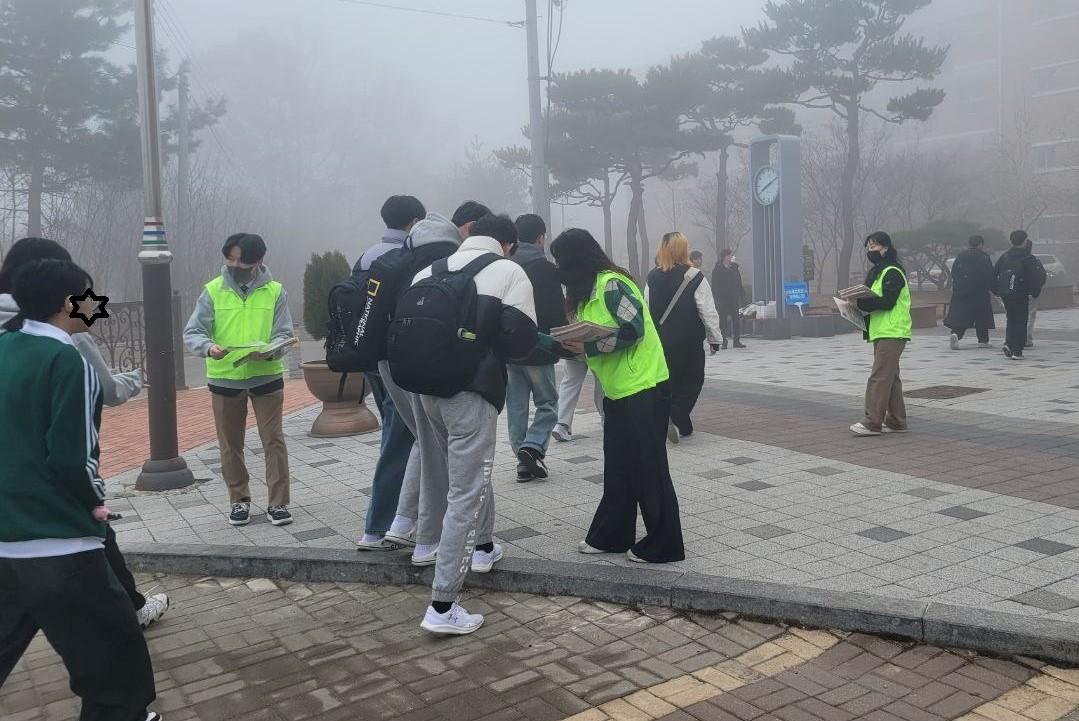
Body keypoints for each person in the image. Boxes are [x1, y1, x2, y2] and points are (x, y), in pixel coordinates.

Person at [0, 258, 161, 721]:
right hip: (59, 543)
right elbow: (72, 458)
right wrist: (95, 504)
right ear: (67, 303)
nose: (94, 304)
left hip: (7, 539)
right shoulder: (65, 359)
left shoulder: (6, 347)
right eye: (88, 295)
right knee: (115, 665)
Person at [398, 213, 550, 634]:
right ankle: (443, 605)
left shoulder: (430, 270)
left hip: (425, 393)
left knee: (469, 476)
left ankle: (484, 548)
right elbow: (520, 341)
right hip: (470, 394)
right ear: (510, 244)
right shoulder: (507, 270)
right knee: (464, 491)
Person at [550, 228, 685, 565]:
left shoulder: (612, 284)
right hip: (619, 389)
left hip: (645, 387)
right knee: (620, 467)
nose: (560, 271)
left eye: (562, 263)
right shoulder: (588, 293)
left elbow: (634, 329)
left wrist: (589, 344)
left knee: (648, 470)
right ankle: (611, 536)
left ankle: (665, 544)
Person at [381, 202, 488, 565]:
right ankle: (433, 544)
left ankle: (401, 523)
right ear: (466, 228)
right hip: (437, 370)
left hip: (396, 363)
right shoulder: (450, 263)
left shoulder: (399, 259)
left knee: (425, 446)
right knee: (442, 457)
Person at [184, 233, 295, 527]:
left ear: (258, 260)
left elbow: (284, 333)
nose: (234, 264)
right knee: (230, 444)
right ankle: (239, 501)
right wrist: (209, 347)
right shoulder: (212, 290)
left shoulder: (275, 291)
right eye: (229, 258)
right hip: (225, 379)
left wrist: (271, 352)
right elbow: (193, 331)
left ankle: (279, 503)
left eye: (240, 259)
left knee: (273, 441)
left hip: (266, 376)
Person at [356, 195, 427, 551]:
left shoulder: (367, 255)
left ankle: (397, 519)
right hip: (395, 362)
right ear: (415, 221)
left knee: (398, 435)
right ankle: (380, 526)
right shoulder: (407, 258)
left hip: (371, 359)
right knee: (400, 441)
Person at [645, 232, 722, 442]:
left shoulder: (652, 277)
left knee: (668, 381)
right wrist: (715, 339)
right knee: (693, 380)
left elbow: (646, 309)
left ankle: (681, 425)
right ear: (683, 249)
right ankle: (677, 418)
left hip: (661, 341)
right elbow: (707, 310)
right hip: (688, 341)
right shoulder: (695, 276)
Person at [507, 213, 567, 482]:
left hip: (508, 348)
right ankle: (532, 447)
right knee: (547, 404)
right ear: (541, 237)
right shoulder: (546, 268)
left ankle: (522, 461)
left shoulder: (504, 265)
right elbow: (555, 311)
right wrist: (563, 341)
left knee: (516, 406)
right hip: (539, 347)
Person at [850, 232, 911, 436]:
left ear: (886, 248)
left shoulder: (892, 272)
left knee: (879, 377)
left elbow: (887, 302)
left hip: (892, 331)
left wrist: (859, 302)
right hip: (882, 331)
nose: (870, 250)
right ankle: (896, 420)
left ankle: (872, 422)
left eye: (874, 246)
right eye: (868, 247)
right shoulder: (879, 271)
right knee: (890, 376)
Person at [993, 230, 1046, 360]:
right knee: (1021, 320)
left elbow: (995, 274)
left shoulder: (1004, 256)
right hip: (1020, 293)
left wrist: (996, 291)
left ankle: (1009, 343)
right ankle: (1017, 350)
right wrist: (1034, 292)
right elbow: (1036, 277)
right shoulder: (1028, 257)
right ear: (1024, 241)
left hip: (1006, 293)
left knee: (1010, 319)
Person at [945, 235, 995, 350]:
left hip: (961, 291)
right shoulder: (983, 257)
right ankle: (983, 341)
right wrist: (993, 288)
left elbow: (954, 273)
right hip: (979, 292)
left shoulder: (961, 256)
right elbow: (988, 274)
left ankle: (956, 335)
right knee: (982, 316)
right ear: (981, 244)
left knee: (962, 315)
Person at [712, 249, 746, 349]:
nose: (731, 257)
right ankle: (724, 341)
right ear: (725, 256)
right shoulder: (718, 269)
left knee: (736, 319)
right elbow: (714, 285)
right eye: (730, 255)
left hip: (734, 297)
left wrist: (741, 293)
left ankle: (736, 341)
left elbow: (738, 281)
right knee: (723, 320)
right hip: (723, 298)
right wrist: (717, 297)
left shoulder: (734, 267)